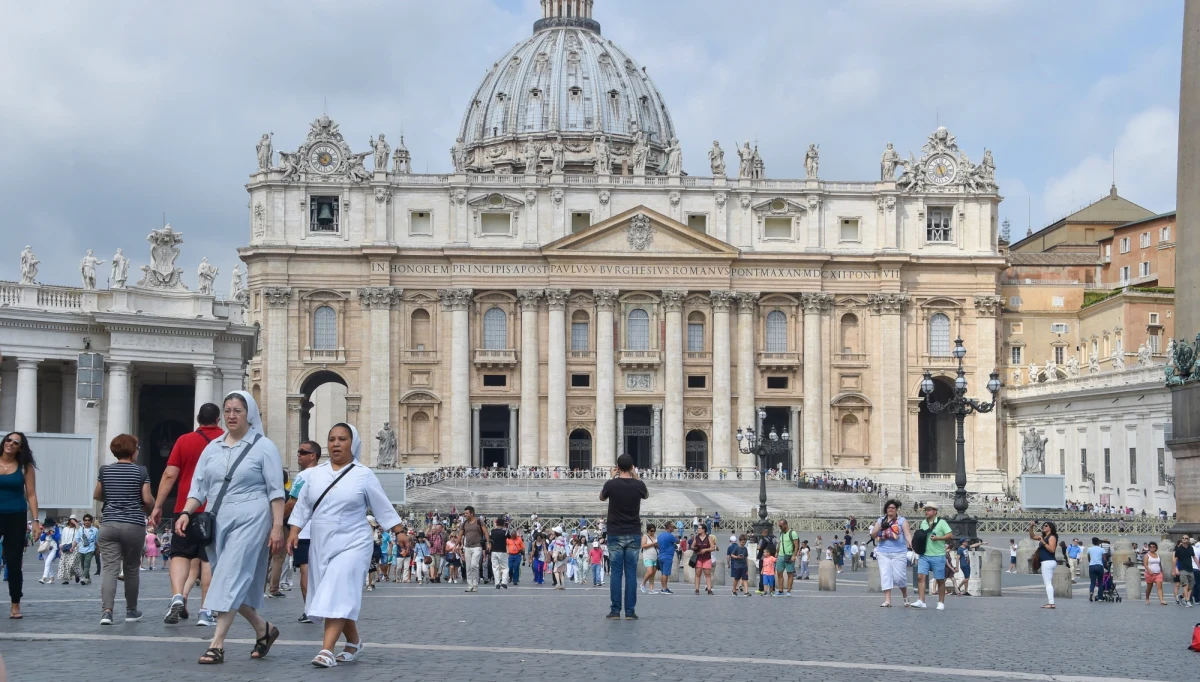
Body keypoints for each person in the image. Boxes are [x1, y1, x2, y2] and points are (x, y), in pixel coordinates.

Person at [174, 391, 285, 664]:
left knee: (228, 575)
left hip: (253, 515)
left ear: (250, 414)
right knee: (233, 578)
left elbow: (276, 492)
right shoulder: (211, 448)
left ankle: (217, 643)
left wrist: (277, 527)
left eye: (238, 410)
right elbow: (198, 488)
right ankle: (263, 629)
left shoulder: (264, 447)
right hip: (218, 518)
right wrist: (186, 512)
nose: (232, 415)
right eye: (228, 410)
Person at [287, 423, 403, 668]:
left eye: (342, 439)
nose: (336, 443)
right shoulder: (314, 474)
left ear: (353, 443)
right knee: (333, 592)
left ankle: (326, 650)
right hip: (322, 540)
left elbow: (381, 505)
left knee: (337, 588)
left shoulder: (363, 474)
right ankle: (354, 641)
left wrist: (399, 531)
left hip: (354, 540)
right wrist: (294, 530)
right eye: (331, 439)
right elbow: (303, 506)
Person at [149, 403, 224, 626]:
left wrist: (158, 505)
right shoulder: (227, 442)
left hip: (186, 510)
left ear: (198, 419)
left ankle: (178, 596)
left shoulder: (184, 440)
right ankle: (206, 611)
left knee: (180, 555)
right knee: (208, 559)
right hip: (216, 510)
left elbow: (170, 474)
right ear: (218, 419)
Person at [95, 434, 153, 624]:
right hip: (133, 524)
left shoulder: (105, 471)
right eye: (137, 448)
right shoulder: (141, 472)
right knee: (131, 568)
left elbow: (98, 494)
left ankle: (107, 612)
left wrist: (113, 500)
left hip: (109, 523)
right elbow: (146, 499)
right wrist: (150, 504)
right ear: (132, 450)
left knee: (109, 568)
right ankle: (131, 610)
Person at [599, 454, 648, 618]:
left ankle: (614, 610)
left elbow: (601, 497)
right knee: (631, 574)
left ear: (618, 467)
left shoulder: (611, 485)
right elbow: (646, 495)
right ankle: (630, 611)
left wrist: (612, 478)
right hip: (633, 533)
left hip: (615, 533)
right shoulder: (638, 485)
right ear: (632, 467)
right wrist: (635, 476)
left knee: (616, 573)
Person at [0, 432, 39, 618]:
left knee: (14, 563)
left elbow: (31, 494)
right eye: (9, 439)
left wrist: (36, 521)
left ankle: (15, 604)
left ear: (20, 448)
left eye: (16, 442)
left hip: (16, 516)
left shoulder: (25, 467)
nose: (11, 444)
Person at [285, 440, 321, 623]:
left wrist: (275, 521)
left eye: (302, 452)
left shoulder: (302, 477)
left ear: (312, 456)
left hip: (305, 531)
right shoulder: (327, 474)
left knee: (305, 571)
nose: (298, 455)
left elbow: (292, 503)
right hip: (323, 530)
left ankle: (309, 609)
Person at [912, 501, 952, 610]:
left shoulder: (942, 522)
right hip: (925, 554)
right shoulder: (923, 523)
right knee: (920, 576)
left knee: (940, 580)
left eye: (929, 510)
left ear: (935, 512)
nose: (926, 512)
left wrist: (938, 538)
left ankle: (941, 602)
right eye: (925, 510)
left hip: (938, 555)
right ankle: (921, 600)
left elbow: (949, 534)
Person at [873, 498, 911, 607]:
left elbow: (908, 535)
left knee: (899, 577)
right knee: (885, 576)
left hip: (899, 552)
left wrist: (912, 545)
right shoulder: (880, 520)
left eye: (893, 508)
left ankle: (905, 595)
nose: (891, 509)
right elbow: (873, 535)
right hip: (883, 552)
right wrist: (880, 527)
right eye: (889, 507)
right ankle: (887, 600)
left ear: (896, 510)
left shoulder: (902, 521)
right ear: (886, 509)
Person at [1028, 520, 1059, 609]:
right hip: (1046, 562)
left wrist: (1043, 542)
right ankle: (1051, 602)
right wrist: (1031, 526)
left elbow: (1052, 549)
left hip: (1048, 561)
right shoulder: (1044, 536)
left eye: (1046, 525)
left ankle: (1051, 603)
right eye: (1043, 525)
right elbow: (1032, 536)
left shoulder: (1051, 537)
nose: (1044, 527)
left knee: (1048, 583)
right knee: (1048, 582)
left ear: (1050, 528)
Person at [460, 506, 488, 592]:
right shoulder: (464, 523)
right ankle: (470, 586)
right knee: (468, 567)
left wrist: (488, 543)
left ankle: (475, 584)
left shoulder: (479, 522)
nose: (465, 515)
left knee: (474, 566)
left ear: (472, 513)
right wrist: (456, 545)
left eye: (467, 513)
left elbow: (485, 531)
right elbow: (460, 535)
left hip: (477, 546)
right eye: (464, 513)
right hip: (467, 547)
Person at [57, 516, 83, 584]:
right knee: (65, 564)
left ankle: (78, 575)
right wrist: (61, 548)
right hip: (65, 547)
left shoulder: (77, 528)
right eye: (71, 520)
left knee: (72, 563)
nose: (71, 522)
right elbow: (63, 538)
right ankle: (66, 579)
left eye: (73, 521)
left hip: (74, 547)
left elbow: (80, 532)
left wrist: (76, 523)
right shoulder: (65, 529)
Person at [691, 524, 715, 596]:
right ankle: (697, 589)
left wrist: (705, 550)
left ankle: (709, 589)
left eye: (699, 528)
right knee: (698, 573)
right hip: (698, 557)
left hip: (707, 557)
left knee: (707, 574)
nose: (698, 529)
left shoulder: (709, 538)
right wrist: (694, 548)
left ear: (703, 529)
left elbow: (713, 548)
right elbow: (692, 545)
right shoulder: (696, 538)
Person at [776, 519, 798, 595]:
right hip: (781, 556)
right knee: (779, 573)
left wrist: (794, 555)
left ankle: (788, 591)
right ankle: (780, 590)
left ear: (785, 525)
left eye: (781, 526)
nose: (780, 527)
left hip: (789, 556)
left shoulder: (793, 533)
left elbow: (796, 545)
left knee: (790, 573)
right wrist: (777, 552)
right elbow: (780, 543)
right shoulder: (781, 533)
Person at [656, 521, 678, 595]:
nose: (673, 528)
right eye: (672, 527)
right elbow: (677, 541)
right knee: (665, 574)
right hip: (667, 556)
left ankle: (663, 588)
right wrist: (677, 537)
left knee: (663, 573)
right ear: (669, 527)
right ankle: (665, 589)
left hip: (660, 555)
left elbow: (657, 545)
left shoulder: (659, 535)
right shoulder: (670, 535)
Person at [1172, 536, 1194, 607]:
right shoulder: (1178, 550)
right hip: (1181, 569)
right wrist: (1175, 569)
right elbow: (1174, 560)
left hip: (1190, 569)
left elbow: (1194, 557)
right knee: (1183, 585)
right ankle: (1186, 600)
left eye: (1186, 538)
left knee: (1190, 586)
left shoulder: (1190, 548)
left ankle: (1181, 597)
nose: (1184, 539)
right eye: (1183, 538)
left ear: (1188, 540)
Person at [36, 517, 59, 585]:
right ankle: (52, 577)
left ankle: (44, 578)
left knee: (48, 562)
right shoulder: (45, 529)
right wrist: (45, 533)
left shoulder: (56, 529)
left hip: (53, 547)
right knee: (47, 563)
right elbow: (42, 539)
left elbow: (57, 538)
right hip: (45, 548)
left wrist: (52, 534)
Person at [77, 515, 98, 585]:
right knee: (83, 565)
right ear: (83, 521)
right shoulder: (80, 530)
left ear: (91, 521)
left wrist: (98, 550)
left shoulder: (95, 530)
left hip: (90, 550)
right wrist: (72, 547)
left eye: (89, 520)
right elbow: (77, 539)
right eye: (85, 520)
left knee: (87, 564)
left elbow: (97, 541)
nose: (87, 522)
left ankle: (84, 578)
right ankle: (88, 578)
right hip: (81, 549)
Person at [639, 523, 658, 594]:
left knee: (653, 574)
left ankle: (651, 589)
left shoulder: (655, 536)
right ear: (648, 530)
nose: (653, 532)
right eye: (651, 531)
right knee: (650, 572)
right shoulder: (645, 536)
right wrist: (653, 544)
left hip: (655, 557)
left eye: (654, 531)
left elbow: (658, 546)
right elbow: (643, 546)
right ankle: (643, 583)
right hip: (647, 557)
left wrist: (657, 545)